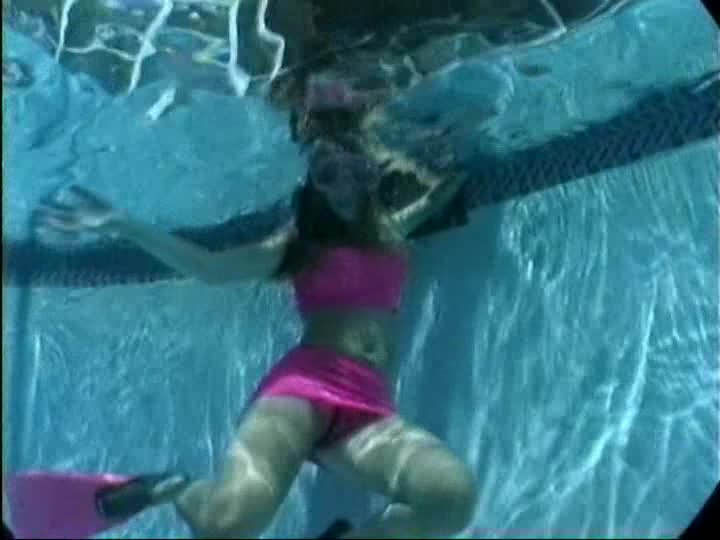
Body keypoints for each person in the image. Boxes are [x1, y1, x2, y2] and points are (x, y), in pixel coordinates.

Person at [36, 139, 477, 539]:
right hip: (304, 390)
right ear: (314, 186)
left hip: (368, 404)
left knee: (451, 497)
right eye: (328, 174)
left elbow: (438, 189)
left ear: (370, 176)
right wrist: (122, 224)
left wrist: (441, 163)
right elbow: (209, 268)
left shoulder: (390, 232)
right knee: (227, 525)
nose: (343, 184)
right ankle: (171, 488)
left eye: (355, 171)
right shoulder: (299, 246)